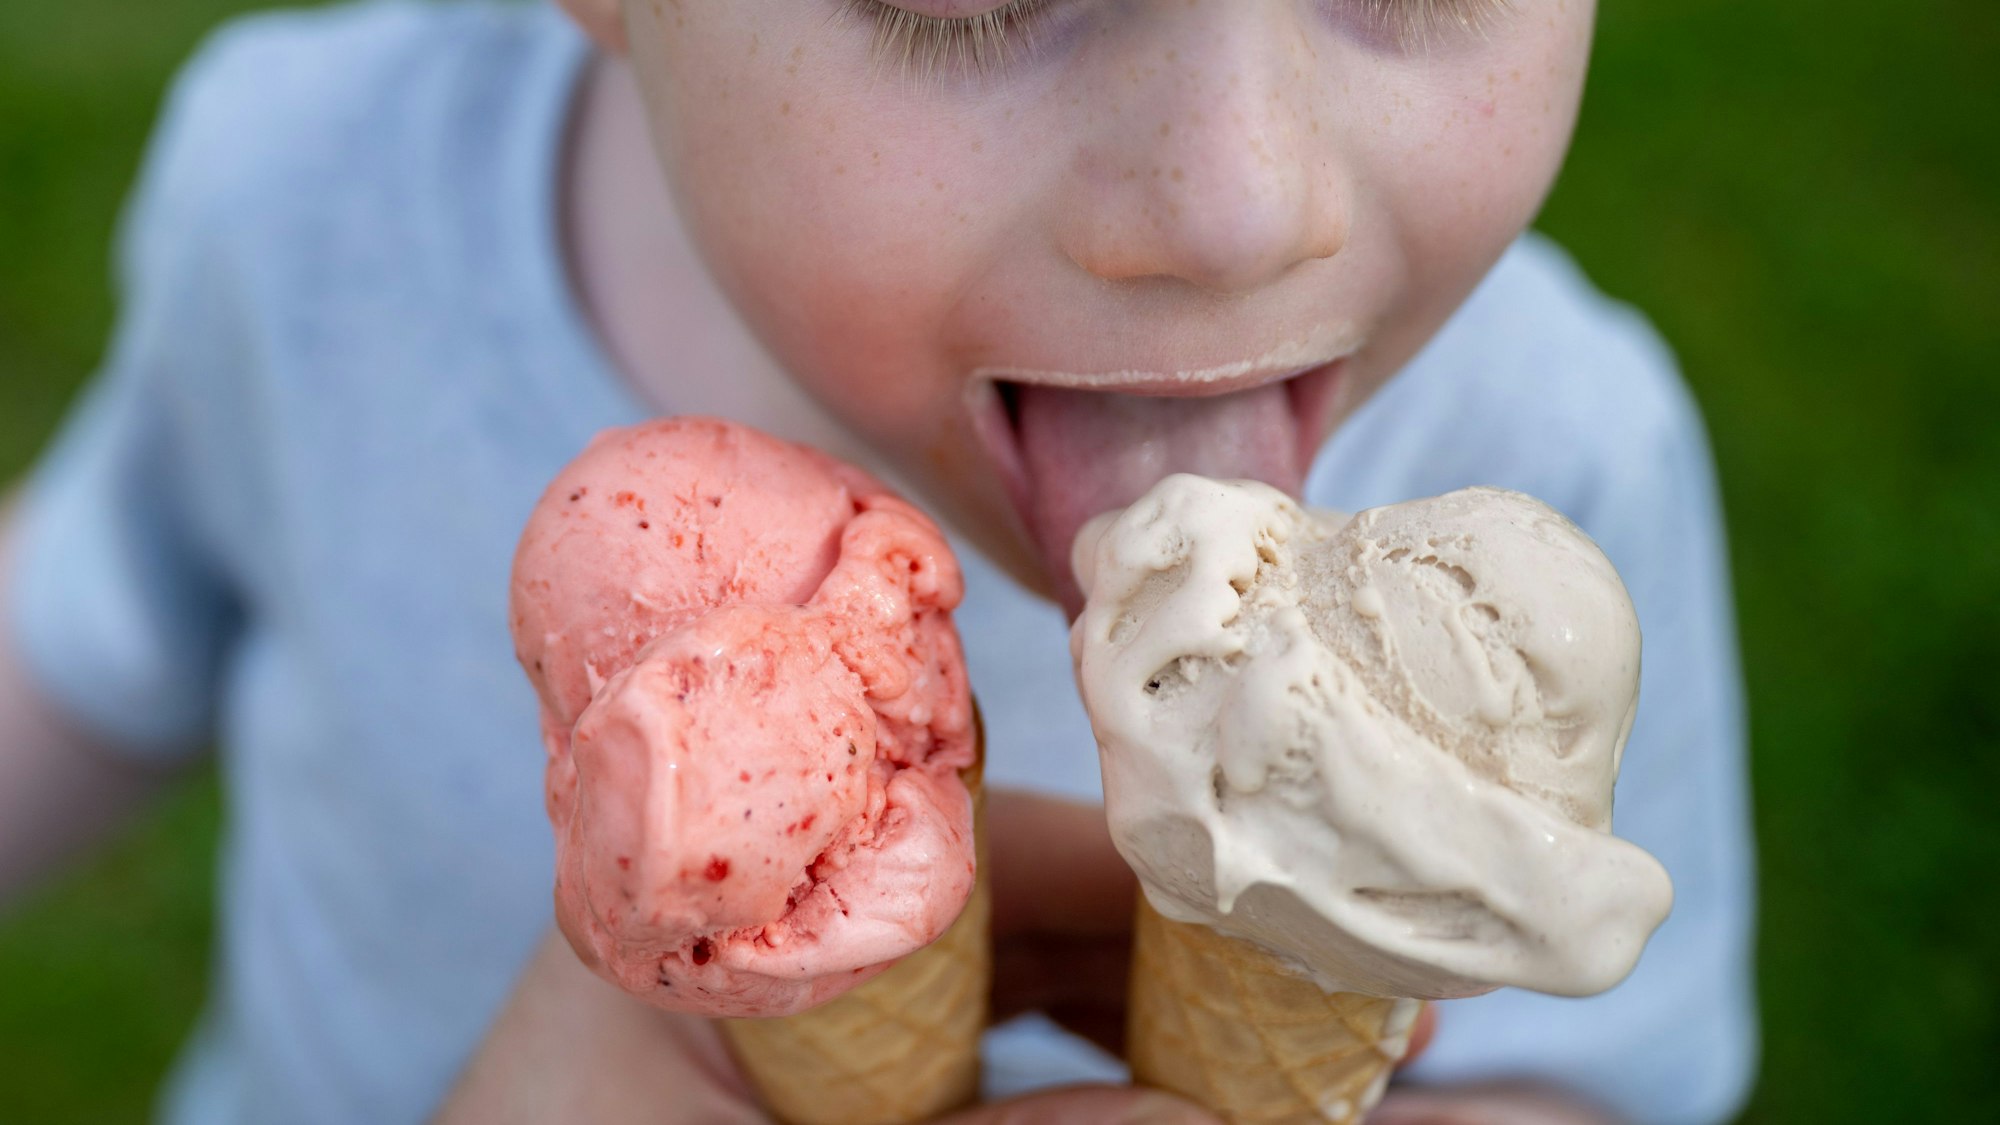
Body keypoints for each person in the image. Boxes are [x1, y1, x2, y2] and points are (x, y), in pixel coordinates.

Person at [0, 0, 1758, 1122]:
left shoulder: (1547, 482)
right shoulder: (317, 203)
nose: (1239, 207)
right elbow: (86, 641)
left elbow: (1579, 1074)